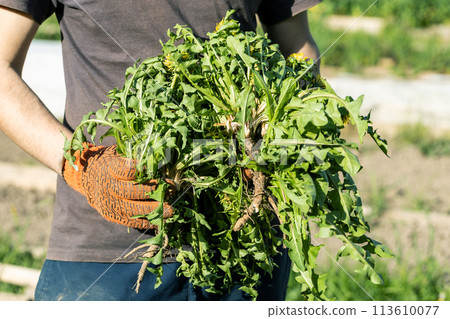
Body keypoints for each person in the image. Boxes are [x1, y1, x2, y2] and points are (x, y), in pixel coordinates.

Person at [0, 0, 321, 301]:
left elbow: (297, 47)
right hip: (107, 257)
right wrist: (81, 167)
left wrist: (271, 125)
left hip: (244, 246)